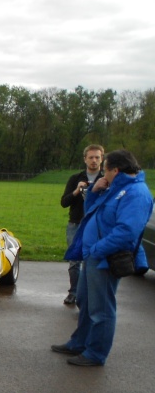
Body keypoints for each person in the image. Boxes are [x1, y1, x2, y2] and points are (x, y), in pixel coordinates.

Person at [51, 149, 153, 366]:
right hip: (93, 255)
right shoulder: (115, 188)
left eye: (105, 169)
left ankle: (96, 353)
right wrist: (96, 192)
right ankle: (79, 342)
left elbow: (126, 232)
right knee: (85, 302)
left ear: (115, 170)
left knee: (101, 309)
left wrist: (97, 249)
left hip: (106, 258)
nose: (102, 174)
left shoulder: (136, 193)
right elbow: (92, 213)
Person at [60, 144, 104, 305]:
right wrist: (76, 191)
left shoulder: (106, 179)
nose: (94, 160)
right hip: (76, 224)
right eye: (91, 157)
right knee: (74, 261)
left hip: (96, 225)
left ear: (102, 159)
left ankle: (89, 294)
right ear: (85, 159)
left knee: (92, 260)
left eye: (97, 157)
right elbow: (64, 202)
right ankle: (73, 292)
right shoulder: (75, 178)